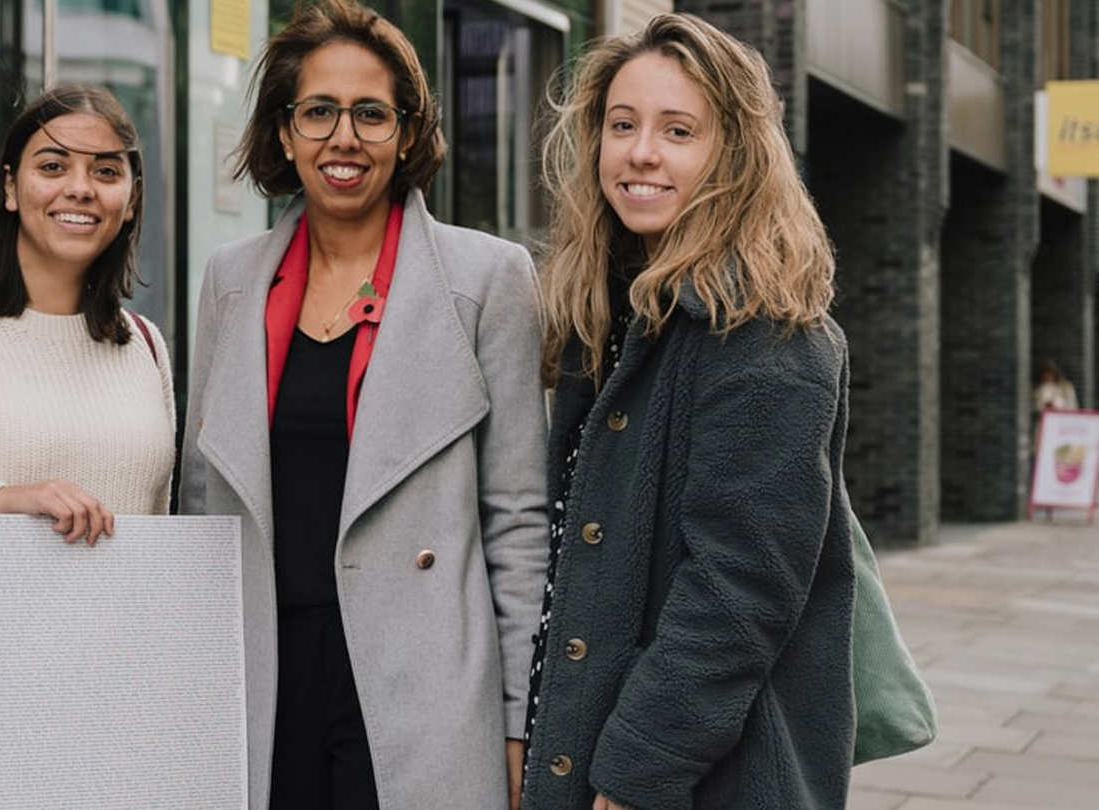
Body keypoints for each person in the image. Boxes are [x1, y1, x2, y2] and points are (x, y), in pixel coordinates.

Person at [177, 1, 550, 807]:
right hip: (266, 674)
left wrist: (523, 723)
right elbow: (202, 504)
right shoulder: (230, 280)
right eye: (318, 112)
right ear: (283, 131)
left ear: (408, 133)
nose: (343, 138)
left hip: (426, 684)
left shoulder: (487, 281)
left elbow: (518, 520)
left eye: (371, 114)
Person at [521, 13, 855, 810]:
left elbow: (740, 591)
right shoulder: (610, 312)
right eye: (623, 124)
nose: (641, 153)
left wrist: (640, 769)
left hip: (702, 777)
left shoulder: (766, 333)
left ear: (732, 156)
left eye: (679, 131)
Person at [0, 85, 174, 541]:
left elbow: (159, 528)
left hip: (120, 613)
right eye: (53, 166)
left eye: (105, 171)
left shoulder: (146, 345)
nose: (80, 189)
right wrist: (3, 500)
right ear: (10, 187)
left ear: (132, 200)